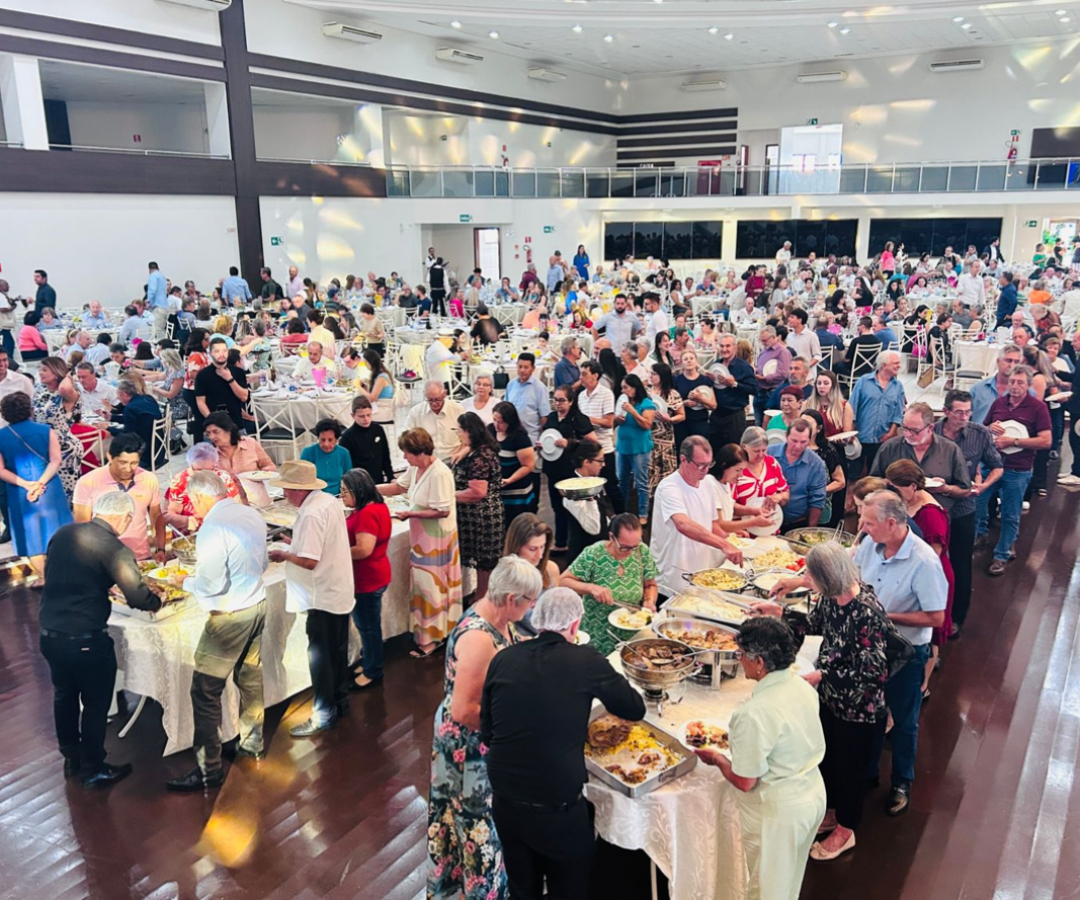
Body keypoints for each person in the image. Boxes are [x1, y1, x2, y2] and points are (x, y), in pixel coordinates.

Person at [481, 587, 646, 899]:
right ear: (575, 624)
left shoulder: (504, 658)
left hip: (505, 802)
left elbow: (488, 732)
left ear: (538, 619)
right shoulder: (586, 660)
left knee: (522, 888)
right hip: (557, 807)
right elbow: (634, 708)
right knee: (569, 888)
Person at [753, 543, 888, 861]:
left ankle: (846, 829)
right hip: (830, 699)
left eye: (811, 576)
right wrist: (779, 613)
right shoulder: (832, 598)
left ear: (828, 577)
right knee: (828, 758)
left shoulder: (866, 611)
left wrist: (822, 676)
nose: (807, 580)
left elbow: (874, 671)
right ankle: (831, 812)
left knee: (851, 769)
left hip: (858, 708)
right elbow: (814, 625)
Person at [426, 556, 541, 900]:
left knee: (475, 822)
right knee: (477, 827)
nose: (531, 608)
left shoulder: (498, 616)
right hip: (468, 747)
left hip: (481, 739)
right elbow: (464, 710)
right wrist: (514, 727)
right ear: (511, 599)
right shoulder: (478, 639)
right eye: (530, 601)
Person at [694, 616, 826, 900]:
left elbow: (745, 781)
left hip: (779, 813)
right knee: (789, 881)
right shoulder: (802, 686)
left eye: (741, 654)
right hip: (813, 794)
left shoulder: (753, 714)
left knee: (767, 891)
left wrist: (717, 759)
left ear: (759, 662)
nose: (740, 659)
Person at [39, 491, 162, 788]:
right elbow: (137, 596)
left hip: (49, 632)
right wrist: (156, 602)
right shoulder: (113, 548)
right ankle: (93, 768)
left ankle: (71, 756)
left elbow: (62, 573)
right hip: (85, 639)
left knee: (64, 696)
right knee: (95, 704)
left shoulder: (63, 534)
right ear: (125, 517)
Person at [164, 472, 269, 791]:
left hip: (229, 615)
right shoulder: (250, 514)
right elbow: (263, 564)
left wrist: (184, 582)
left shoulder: (212, 527)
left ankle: (208, 768)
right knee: (249, 678)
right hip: (257, 603)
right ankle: (252, 744)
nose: (192, 508)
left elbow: (210, 584)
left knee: (205, 691)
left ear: (199, 497)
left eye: (192, 502)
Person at [854, 491, 947, 815]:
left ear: (891, 523)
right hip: (870, 646)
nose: (862, 528)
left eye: (868, 523)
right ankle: (868, 772)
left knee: (905, 721)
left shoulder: (924, 562)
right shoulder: (870, 545)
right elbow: (852, 580)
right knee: (870, 712)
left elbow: (936, 617)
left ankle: (902, 782)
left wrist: (885, 616)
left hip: (905, 652)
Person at [267, 460, 355, 736]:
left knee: (320, 658)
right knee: (337, 651)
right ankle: (340, 702)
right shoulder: (327, 501)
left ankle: (323, 714)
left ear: (298, 489)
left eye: (286, 489)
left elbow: (309, 561)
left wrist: (284, 554)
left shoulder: (311, 513)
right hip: (337, 590)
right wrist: (294, 543)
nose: (284, 495)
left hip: (321, 596)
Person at [378, 428, 463, 658]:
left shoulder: (439, 473)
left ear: (419, 451)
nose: (404, 457)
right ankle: (430, 633)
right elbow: (399, 487)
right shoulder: (416, 468)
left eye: (407, 452)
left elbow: (442, 510)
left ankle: (432, 638)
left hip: (437, 540)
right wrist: (369, 489)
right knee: (423, 586)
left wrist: (410, 514)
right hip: (423, 539)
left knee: (431, 588)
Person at [935, 390, 1002, 634]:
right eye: (959, 412)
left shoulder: (979, 434)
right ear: (946, 411)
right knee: (931, 560)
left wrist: (984, 486)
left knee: (961, 562)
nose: (964, 417)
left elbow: (997, 466)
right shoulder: (931, 432)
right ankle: (932, 613)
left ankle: (956, 617)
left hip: (963, 507)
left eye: (968, 412)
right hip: (933, 505)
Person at [886, 458, 955, 698]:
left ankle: (922, 687)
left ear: (913, 487)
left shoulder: (931, 514)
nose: (893, 493)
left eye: (896, 488)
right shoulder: (908, 502)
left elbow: (931, 557)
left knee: (930, 636)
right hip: (910, 572)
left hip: (931, 577)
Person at [976, 365, 1052, 575]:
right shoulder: (999, 403)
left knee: (1010, 515)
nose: (1015, 386)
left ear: (1028, 385)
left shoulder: (1037, 408)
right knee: (978, 503)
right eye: (1012, 382)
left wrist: (1014, 441)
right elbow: (983, 429)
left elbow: (1046, 441)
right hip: (992, 465)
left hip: (1018, 469)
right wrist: (989, 428)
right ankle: (981, 534)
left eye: (1020, 382)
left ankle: (1002, 554)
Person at [649, 435, 745, 595]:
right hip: (673, 574)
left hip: (699, 571)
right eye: (700, 465)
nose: (705, 470)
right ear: (683, 460)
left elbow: (713, 524)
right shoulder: (669, 487)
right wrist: (724, 545)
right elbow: (683, 524)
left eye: (708, 465)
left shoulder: (707, 483)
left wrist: (731, 540)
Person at [0, 390, 73, 582]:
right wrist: (40, 483)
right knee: (58, 531)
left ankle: (44, 577)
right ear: (29, 409)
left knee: (31, 537)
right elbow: (56, 460)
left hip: (19, 490)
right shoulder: (46, 430)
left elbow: (0, 470)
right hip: (49, 487)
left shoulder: (1, 436)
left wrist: (26, 484)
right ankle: (64, 574)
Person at [73, 433, 164, 562]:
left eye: (134, 463)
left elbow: (157, 516)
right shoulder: (88, 482)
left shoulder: (148, 479)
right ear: (110, 457)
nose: (128, 469)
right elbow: (83, 527)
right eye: (122, 462)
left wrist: (160, 549)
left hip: (141, 557)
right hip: (105, 560)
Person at [341, 468, 392, 690]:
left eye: (345, 491)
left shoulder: (366, 514)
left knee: (368, 628)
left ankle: (373, 670)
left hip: (367, 579)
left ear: (358, 491)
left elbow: (363, 549)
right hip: (374, 574)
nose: (342, 496)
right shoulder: (376, 506)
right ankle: (370, 662)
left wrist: (336, 551)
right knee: (369, 626)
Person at [452, 411, 504, 601]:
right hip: (477, 515)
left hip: (482, 515)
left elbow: (477, 492)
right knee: (482, 560)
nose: (458, 434)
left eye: (459, 430)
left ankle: (482, 599)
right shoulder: (477, 449)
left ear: (468, 431)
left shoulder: (480, 457)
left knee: (484, 560)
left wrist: (447, 496)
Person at [561, 512, 659, 611]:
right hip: (596, 619)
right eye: (624, 547)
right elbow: (563, 581)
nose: (630, 552)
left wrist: (649, 601)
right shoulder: (594, 552)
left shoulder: (642, 550)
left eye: (635, 546)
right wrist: (591, 588)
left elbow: (650, 584)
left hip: (632, 618)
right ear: (611, 537)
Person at [540, 384, 596, 551]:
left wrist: (571, 443)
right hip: (553, 468)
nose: (558, 403)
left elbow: (593, 442)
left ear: (571, 401)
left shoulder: (578, 419)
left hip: (570, 470)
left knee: (572, 507)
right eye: (555, 400)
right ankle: (561, 542)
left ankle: (576, 542)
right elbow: (547, 437)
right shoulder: (551, 418)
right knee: (557, 506)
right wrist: (542, 445)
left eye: (562, 400)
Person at [576, 358, 623, 515]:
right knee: (590, 487)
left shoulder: (606, 394)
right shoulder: (581, 396)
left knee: (611, 487)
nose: (581, 378)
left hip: (604, 448)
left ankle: (622, 517)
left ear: (595, 376)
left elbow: (608, 422)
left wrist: (586, 420)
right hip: (587, 449)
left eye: (584, 374)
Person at [848, 350, 906, 475]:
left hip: (882, 439)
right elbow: (852, 407)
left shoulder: (898, 386)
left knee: (877, 475)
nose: (899, 366)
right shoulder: (863, 382)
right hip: (861, 436)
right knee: (855, 474)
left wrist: (890, 433)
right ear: (884, 365)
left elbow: (898, 413)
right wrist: (850, 431)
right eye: (895, 363)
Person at [163, 442, 242, 533]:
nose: (203, 474)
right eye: (198, 470)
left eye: (208, 470)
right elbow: (171, 513)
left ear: (214, 466)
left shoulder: (224, 477)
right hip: (192, 531)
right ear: (190, 466)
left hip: (222, 527)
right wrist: (185, 521)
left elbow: (236, 505)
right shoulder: (180, 481)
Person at [768, 418, 828, 531]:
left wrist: (809, 531)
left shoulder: (816, 464)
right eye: (794, 441)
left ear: (810, 440)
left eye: (803, 442)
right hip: (766, 520)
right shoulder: (769, 453)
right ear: (786, 436)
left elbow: (817, 500)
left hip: (797, 524)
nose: (798, 446)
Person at [708, 333, 757, 457]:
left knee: (734, 454)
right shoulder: (716, 365)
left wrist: (734, 384)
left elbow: (754, 389)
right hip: (716, 416)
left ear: (735, 347)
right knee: (715, 453)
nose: (724, 349)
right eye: (722, 346)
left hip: (734, 417)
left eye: (728, 346)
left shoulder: (744, 367)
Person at [490, 400, 539, 526]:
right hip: (498, 491)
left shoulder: (519, 438)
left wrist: (510, 480)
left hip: (517, 492)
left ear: (510, 422)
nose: (496, 425)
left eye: (500, 422)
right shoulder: (490, 431)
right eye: (494, 420)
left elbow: (528, 465)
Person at [194, 335, 249, 438]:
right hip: (213, 426)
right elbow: (200, 402)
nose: (222, 354)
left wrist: (230, 379)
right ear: (210, 353)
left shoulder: (238, 372)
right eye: (217, 351)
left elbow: (244, 397)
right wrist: (212, 420)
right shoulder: (202, 375)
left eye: (224, 351)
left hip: (236, 423)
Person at [799, 410, 847, 527]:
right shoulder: (794, 447)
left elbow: (840, 482)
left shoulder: (827, 450)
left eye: (809, 424)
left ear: (819, 429)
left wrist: (818, 492)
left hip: (820, 505)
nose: (804, 427)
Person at [109, 378, 164, 470]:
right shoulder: (148, 398)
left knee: (110, 458)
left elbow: (128, 435)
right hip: (159, 450)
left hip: (144, 455)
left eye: (118, 395)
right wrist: (111, 417)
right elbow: (137, 420)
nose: (117, 398)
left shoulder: (130, 408)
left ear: (124, 394)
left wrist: (109, 428)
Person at [338, 395, 394, 484]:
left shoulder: (378, 429)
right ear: (353, 415)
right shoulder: (347, 437)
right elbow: (345, 466)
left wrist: (390, 477)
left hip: (378, 480)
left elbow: (385, 455)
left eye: (368, 415)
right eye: (361, 416)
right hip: (359, 483)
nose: (366, 419)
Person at [201, 411, 275, 477]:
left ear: (229, 430)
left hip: (252, 488)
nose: (212, 437)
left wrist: (266, 471)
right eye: (208, 433)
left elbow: (269, 466)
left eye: (216, 432)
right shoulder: (209, 453)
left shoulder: (250, 443)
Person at [406, 380, 464, 464]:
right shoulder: (415, 412)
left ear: (444, 394)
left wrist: (460, 454)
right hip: (426, 460)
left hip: (453, 459)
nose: (433, 404)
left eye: (437, 400)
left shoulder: (457, 410)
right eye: (429, 400)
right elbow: (406, 438)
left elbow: (469, 439)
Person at [505, 353, 551, 444]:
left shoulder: (540, 388)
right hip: (510, 436)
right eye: (520, 367)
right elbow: (505, 409)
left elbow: (544, 417)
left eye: (526, 367)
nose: (522, 370)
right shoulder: (511, 385)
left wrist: (542, 440)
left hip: (530, 438)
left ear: (533, 368)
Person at [299, 418, 351, 496]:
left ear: (336, 440)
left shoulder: (344, 453)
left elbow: (348, 480)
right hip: (314, 496)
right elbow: (302, 480)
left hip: (337, 496)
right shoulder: (308, 452)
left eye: (330, 440)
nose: (326, 444)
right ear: (318, 438)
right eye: (322, 440)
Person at [753, 325, 792, 426]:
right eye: (761, 340)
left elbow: (783, 373)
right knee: (758, 424)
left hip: (772, 392)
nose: (763, 343)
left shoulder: (782, 352)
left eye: (765, 340)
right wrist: (756, 371)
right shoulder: (764, 351)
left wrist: (765, 378)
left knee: (771, 425)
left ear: (774, 337)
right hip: (759, 392)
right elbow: (759, 367)